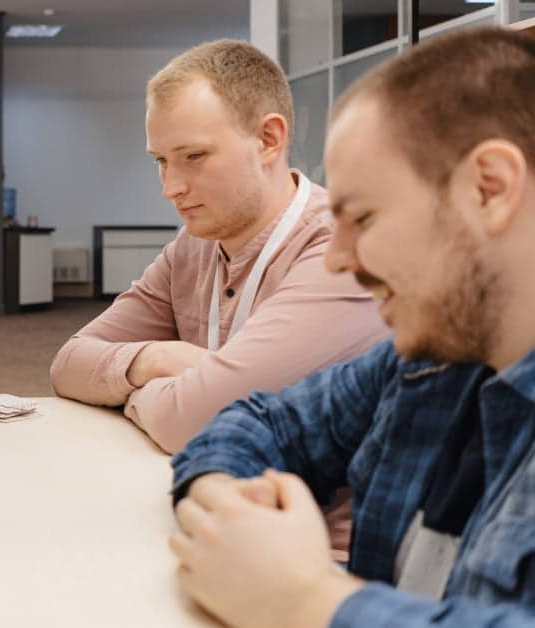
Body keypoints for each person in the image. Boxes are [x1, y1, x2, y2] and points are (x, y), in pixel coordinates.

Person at [170, 27, 535, 628]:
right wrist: (225, 502)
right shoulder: (427, 362)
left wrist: (304, 601)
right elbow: (260, 420)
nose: (337, 259)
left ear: (488, 189)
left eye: (362, 216)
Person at [49, 40, 387, 453]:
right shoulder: (193, 247)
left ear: (268, 139)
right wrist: (153, 360)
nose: (170, 189)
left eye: (193, 156)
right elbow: (67, 364)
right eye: (161, 161)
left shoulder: (339, 251)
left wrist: (133, 394)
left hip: (308, 511)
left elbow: (198, 422)